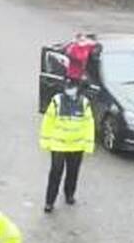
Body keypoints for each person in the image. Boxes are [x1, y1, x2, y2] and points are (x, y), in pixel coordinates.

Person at [39, 78, 95, 213]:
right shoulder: (57, 101)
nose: (69, 89)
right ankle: (49, 202)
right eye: (68, 86)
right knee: (55, 173)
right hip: (59, 144)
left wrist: (88, 145)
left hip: (77, 145)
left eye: (72, 86)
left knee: (73, 172)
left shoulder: (84, 103)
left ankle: (69, 194)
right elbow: (48, 121)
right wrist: (45, 141)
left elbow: (88, 124)